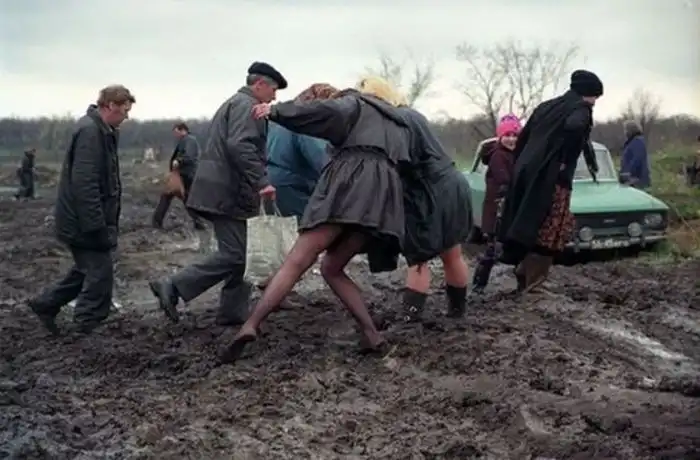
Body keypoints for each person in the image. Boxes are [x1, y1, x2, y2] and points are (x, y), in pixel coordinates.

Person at [220, 76, 412, 364]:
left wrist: (276, 111)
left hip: (350, 181)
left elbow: (323, 112)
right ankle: (371, 334)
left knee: (297, 260)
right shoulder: (397, 123)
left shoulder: (355, 103)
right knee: (332, 268)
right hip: (382, 196)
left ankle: (251, 325)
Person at [148, 61, 287, 327]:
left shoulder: (236, 103)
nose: (274, 97)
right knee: (236, 255)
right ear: (260, 85)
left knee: (242, 254)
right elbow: (240, 145)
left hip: (228, 190)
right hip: (228, 191)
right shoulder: (246, 106)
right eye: (273, 90)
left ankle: (233, 312)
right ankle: (173, 286)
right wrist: (262, 181)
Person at [27, 85, 135, 335]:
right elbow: (85, 184)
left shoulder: (103, 131)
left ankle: (46, 304)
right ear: (111, 105)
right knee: (100, 272)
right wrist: (96, 225)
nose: (127, 116)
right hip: (81, 221)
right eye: (125, 110)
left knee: (87, 268)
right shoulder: (90, 132)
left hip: (85, 219)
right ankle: (87, 323)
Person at [499, 69, 603, 293]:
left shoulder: (546, 107)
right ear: (588, 93)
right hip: (552, 179)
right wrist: (564, 160)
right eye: (595, 97)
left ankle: (523, 273)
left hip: (526, 172)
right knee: (550, 230)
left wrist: (522, 164)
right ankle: (533, 282)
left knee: (526, 223)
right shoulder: (581, 109)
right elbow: (575, 127)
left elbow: (524, 137)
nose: (595, 102)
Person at [396, 102, 472, 322]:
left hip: (427, 191)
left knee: (418, 258)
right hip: (454, 183)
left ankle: (411, 318)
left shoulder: (396, 120)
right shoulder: (415, 116)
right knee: (453, 253)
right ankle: (457, 312)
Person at [267, 84, 335, 219]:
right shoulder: (306, 123)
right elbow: (320, 158)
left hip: (272, 183)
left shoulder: (278, 119)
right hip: (295, 187)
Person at [471, 115, 521, 293]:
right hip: (497, 211)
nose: (511, 139)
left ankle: (521, 283)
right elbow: (505, 180)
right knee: (493, 250)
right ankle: (478, 284)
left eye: (515, 135)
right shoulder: (498, 156)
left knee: (515, 248)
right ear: (500, 137)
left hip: (508, 209)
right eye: (507, 135)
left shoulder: (516, 155)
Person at [152, 122, 205, 229]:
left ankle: (157, 222)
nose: (175, 135)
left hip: (185, 174)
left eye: (176, 132)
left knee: (171, 196)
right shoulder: (186, 140)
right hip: (183, 174)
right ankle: (199, 222)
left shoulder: (189, 140)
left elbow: (189, 156)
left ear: (183, 130)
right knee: (177, 197)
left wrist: (179, 160)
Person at [619, 119, 651, 188]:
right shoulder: (631, 142)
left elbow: (637, 159)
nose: (625, 132)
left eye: (626, 130)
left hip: (636, 179)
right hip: (631, 178)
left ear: (630, 130)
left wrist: (628, 173)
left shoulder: (637, 142)